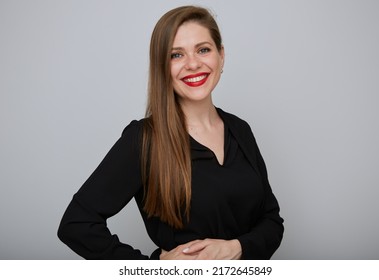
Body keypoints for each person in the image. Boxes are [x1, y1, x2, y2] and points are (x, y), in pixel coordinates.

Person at [57, 5, 284, 260]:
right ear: (162, 67)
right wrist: (151, 270)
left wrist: (236, 247)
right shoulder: (144, 140)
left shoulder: (240, 130)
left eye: (203, 49)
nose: (193, 64)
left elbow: (272, 221)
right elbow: (76, 224)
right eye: (176, 55)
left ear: (221, 55)